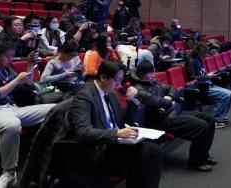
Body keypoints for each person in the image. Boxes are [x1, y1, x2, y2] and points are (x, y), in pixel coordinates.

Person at [0, 40, 55, 188]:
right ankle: (9, 173)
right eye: (7, 56)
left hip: (11, 109)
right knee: (12, 125)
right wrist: (16, 81)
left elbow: (26, 88)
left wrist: (29, 67)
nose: (11, 60)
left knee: (56, 109)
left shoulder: (7, 68)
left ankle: (45, 161)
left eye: (12, 56)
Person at [68, 60, 163, 188]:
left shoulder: (111, 92)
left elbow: (121, 120)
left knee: (155, 150)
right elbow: (83, 132)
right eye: (117, 80)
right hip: (98, 149)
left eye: (121, 80)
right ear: (103, 77)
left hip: (115, 143)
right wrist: (117, 133)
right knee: (143, 153)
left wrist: (132, 103)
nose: (119, 84)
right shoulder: (84, 96)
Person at [130, 61, 218, 172]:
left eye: (153, 72)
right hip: (161, 120)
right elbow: (155, 101)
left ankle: (204, 155)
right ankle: (196, 162)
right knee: (201, 126)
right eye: (150, 73)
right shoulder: (138, 88)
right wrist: (168, 102)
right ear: (142, 74)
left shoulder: (153, 81)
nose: (153, 75)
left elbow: (171, 88)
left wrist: (170, 96)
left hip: (173, 112)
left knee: (209, 119)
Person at [185, 43, 231, 126]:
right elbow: (193, 78)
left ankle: (220, 115)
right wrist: (207, 76)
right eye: (203, 53)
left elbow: (202, 73)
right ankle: (217, 120)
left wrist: (209, 74)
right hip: (201, 87)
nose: (205, 55)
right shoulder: (191, 60)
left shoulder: (199, 59)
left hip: (208, 84)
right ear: (198, 51)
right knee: (227, 95)